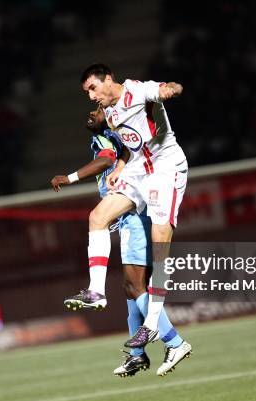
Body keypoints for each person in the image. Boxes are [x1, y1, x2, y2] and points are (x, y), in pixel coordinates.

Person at [52, 108, 191, 377]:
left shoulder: (109, 136)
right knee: (130, 288)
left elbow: (106, 160)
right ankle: (137, 355)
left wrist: (68, 178)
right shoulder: (115, 135)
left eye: (97, 109)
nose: (90, 112)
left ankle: (174, 341)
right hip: (127, 217)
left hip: (133, 216)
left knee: (135, 286)